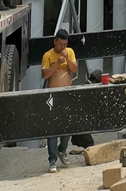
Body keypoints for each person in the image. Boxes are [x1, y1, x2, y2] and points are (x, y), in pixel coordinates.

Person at [42, 29, 78, 172]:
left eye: (65, 44)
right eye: (60, 44)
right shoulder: (48, 55)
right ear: (55, 42)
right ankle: (52, 160)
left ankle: (62, 149)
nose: (62, 47)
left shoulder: (70, 51)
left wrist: (67, 59)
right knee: (52, 129)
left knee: (67, 126)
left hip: (66, 95)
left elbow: (74, 69)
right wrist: (57, 62)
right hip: (52, 96)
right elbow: (45, 75)